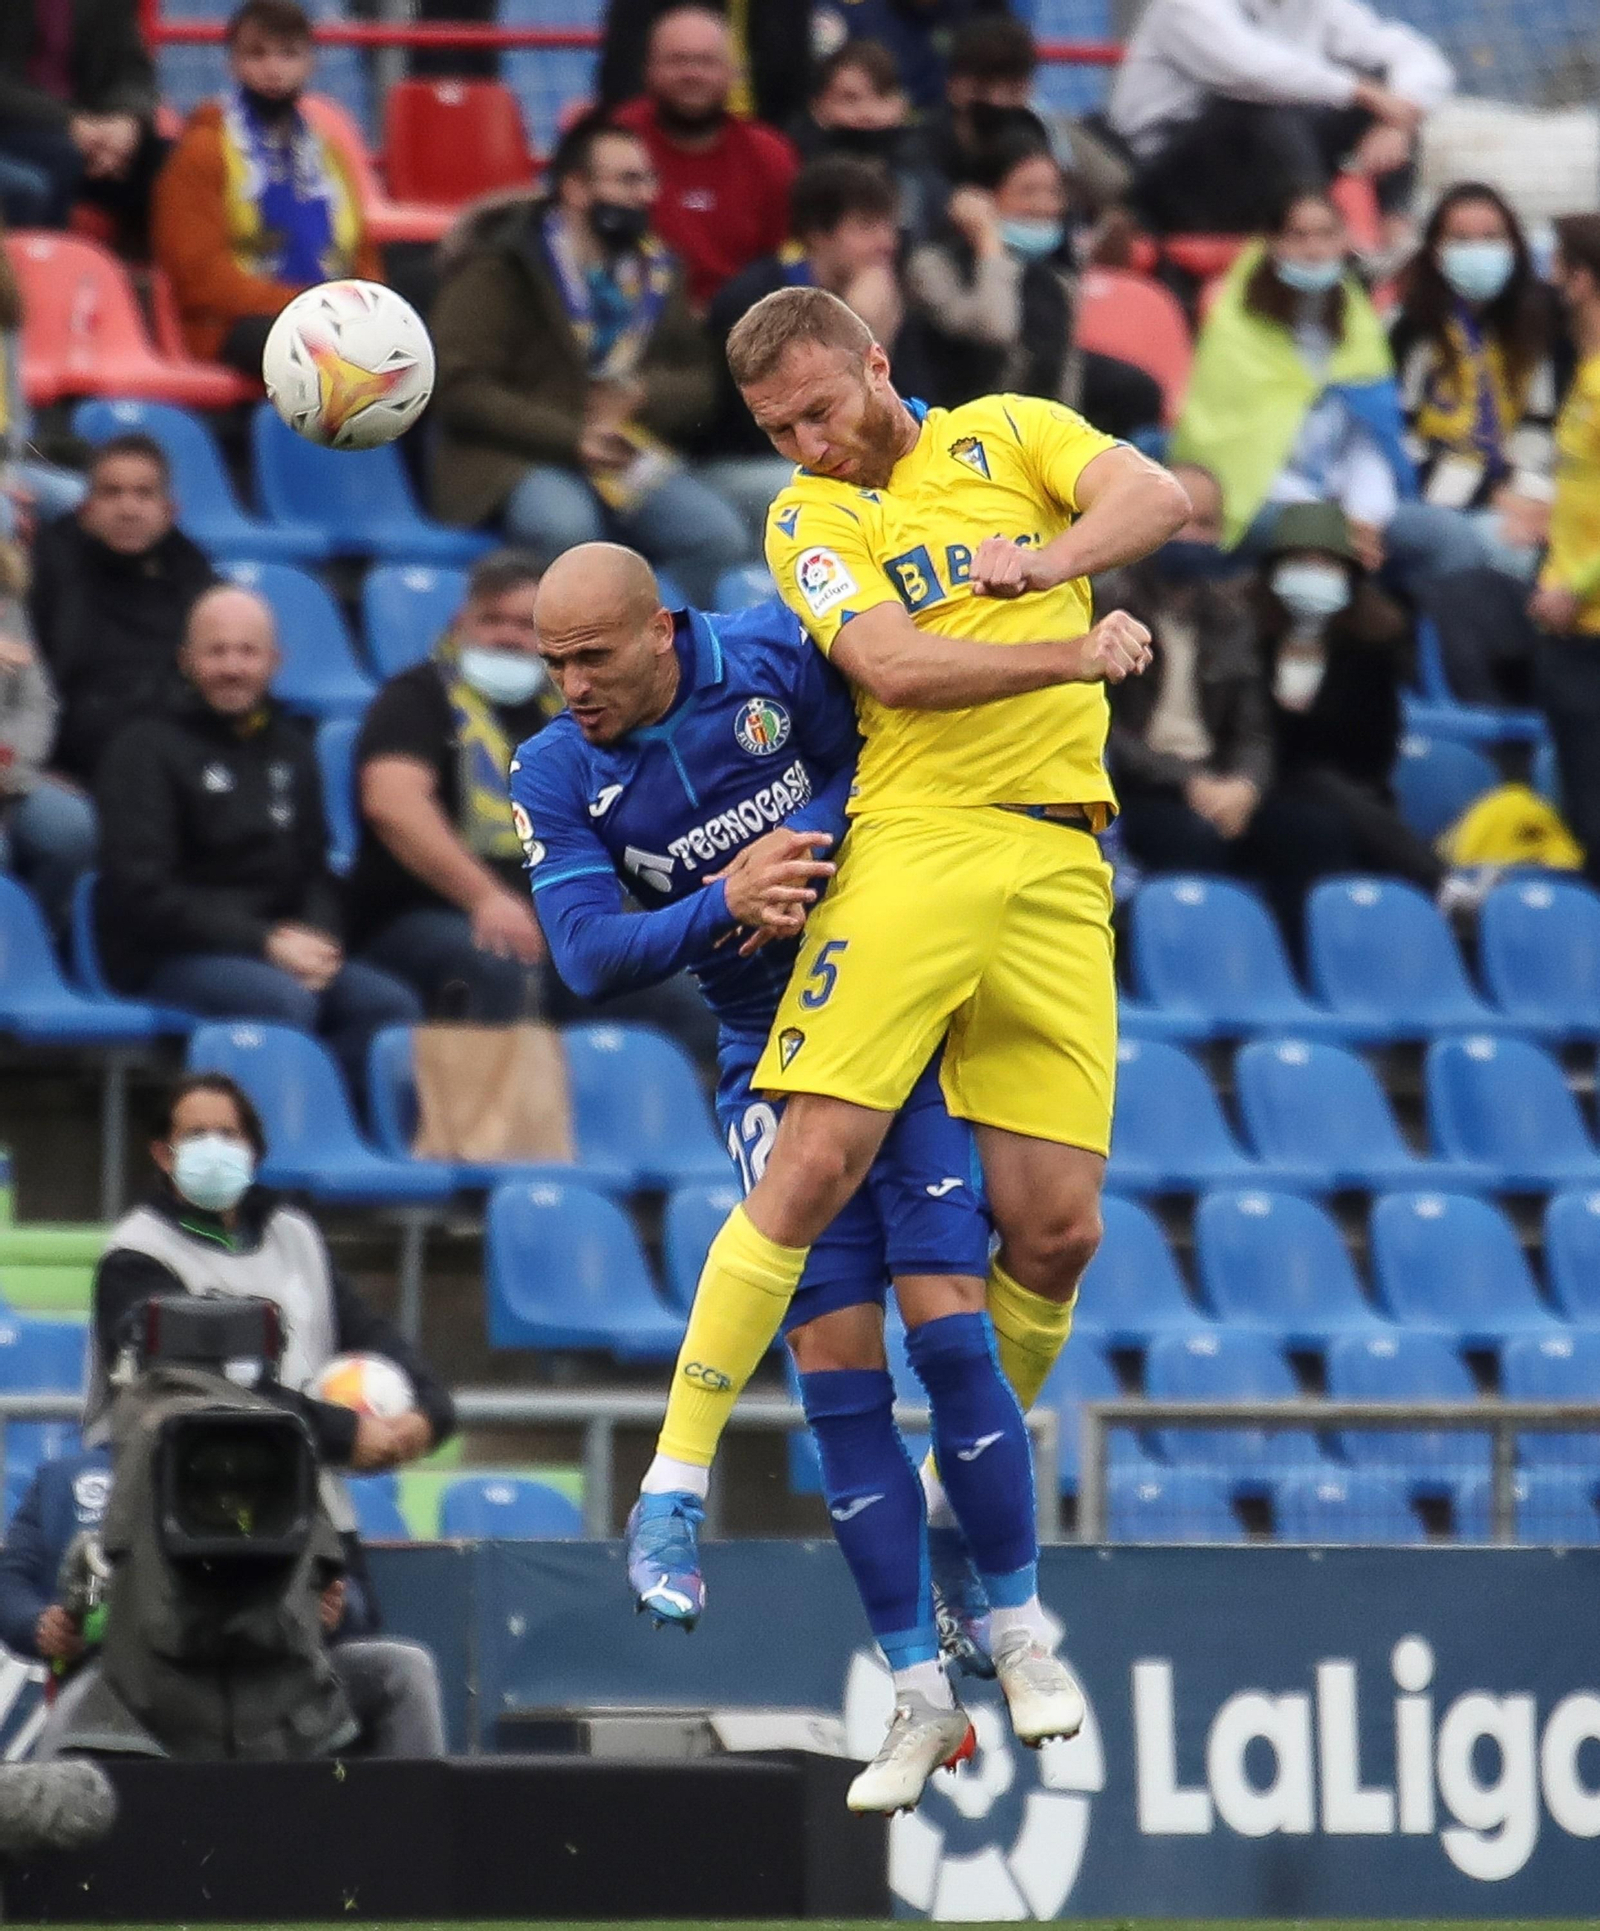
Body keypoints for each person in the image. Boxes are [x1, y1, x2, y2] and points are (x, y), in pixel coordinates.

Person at [622, 288, 1182, 1676]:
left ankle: (954, 1506)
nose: (806, 440)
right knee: (813, 1158)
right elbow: (885, 661)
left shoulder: (1008, 433)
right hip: (918, 847)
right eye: (776, 426)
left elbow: (1155, 495)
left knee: (1058, 1232)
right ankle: (672, 1481)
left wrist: (1043, 555)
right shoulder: (815, 518)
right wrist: (1062, 634)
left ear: (878, 363)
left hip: (1062, 859)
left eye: (820, 407)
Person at [514, 541, 1079, 1811]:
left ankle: (1019, 1632)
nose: (570, 686)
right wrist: (727, 901)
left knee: (947, 1323)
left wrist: (808, 839)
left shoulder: (769, 654)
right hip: (764, 1061)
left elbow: (877, 757)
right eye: (550, 663)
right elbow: (589, 956)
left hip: (890, 1022)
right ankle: (916, 1700)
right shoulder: (553, 768)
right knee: (836, 1365)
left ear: (661, 628)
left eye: (592, 656)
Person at [71, 1071, 450, 1754]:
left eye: (230, 1132)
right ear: (161, 1152)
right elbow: (190, 1386)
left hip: (321, 1525)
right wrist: (343, 1431)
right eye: (195, 1134)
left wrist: (425, 1412)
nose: (215, 1147)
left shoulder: (292, 1235)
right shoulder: (136, 1256)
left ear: (254, 1147)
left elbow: (371, 1331)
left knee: (366, 1706)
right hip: (188, 1538)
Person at [93, 585, 422, 1095]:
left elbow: (314, 869)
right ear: (186, 660)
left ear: (274, 661)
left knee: (387, 1004)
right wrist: (263, 942)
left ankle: (343, 1144)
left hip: (277, 946)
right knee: (283, 1001)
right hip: (169, 954)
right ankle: (271, 1147)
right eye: (216, 651)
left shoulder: (290, 747)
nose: (232, 667)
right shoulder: (143, 747)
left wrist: (320, 938)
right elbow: (143, 894)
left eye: (247, 652)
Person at [429, 114, 749, 608]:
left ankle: (671, 667)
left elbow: (701, 381)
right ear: (576, 189)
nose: (646, 194)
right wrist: (573, 437)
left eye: (648, 179)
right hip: (518, 456)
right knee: (569, 528)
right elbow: (459, 387)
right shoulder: (501, 265)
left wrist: (644, 395)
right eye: (627, 181)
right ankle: (573, 669)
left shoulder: (658, 271)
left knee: (716, 537)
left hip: (623, 453)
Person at [1170, 187, 1484, 595]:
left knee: (1451, 538)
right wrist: (1325, 521)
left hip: (1348, 503)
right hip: (1256, 500)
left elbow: (1368, 444)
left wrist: (1363, 514)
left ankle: (1437, 656)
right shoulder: (1236, 329)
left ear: (1344, 240)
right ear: (1271, 244)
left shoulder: (1359, 327)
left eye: (1325, 234)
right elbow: (1231, 455)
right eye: (1297, 236)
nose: (1313, 249)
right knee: (1315, 545)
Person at [1101, 464, 1365, 939]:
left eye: (1206, 525)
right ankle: (1186, 969)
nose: (1192, 536)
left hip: (1218, 782)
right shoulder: (1107, 604)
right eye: (1180, 521)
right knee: (1190, 838)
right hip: (1138, 789)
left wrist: (1245, 786)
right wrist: (1189, 783)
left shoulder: (1229, 615)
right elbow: (1102, 729)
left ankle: (1306, 974)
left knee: (1313, 831)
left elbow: (1254, 729)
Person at [151, 0, 381, 375]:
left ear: (312, 63)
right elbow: (201, 282)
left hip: (326, 313)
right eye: (256, 55)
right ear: (232, 63)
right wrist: (310, 306)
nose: (273, 69)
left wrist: (364, 308)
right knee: (322, 353)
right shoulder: (201, 150)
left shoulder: (329, 153)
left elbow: (362, 255)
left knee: (410, 336)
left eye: (289, 55)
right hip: (233, 325)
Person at [1108, 0, 1453, 238]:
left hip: (1261, 162)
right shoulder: (1184, 5)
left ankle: (1395, 231)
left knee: (1389, 98)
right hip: (1168, 174)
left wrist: (1398, 121)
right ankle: (1317, 231)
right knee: (1264, 106)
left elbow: (1413, 53)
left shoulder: (1317, 7)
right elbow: (1251, 71)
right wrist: (1363, 92)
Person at [907, 121, 1163, 437]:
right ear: (984, 198)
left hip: (1036, 436)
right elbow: (995, 327)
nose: (1044, 206)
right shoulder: (932, 265)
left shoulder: (1058, 278)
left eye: (1054, 193)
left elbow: (1065, 381)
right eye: (1027, 192)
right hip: (961, 430)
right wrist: (989, 241)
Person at [703, 157, 909, 542]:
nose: (886, 243)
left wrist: (874, 333)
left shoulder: (887, 291)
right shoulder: (752, 300)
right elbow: (756, 426)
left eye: (888, 226)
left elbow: (908, 407)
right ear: (817, 234)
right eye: (866, 228)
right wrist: (861, 323)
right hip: (740, 465)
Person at [1254, 499, 1442, 900]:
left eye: (1327, 564)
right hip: (1260, 786)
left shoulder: (1369, 652)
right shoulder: (1249, 641)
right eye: (1301, 562)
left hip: (1348, 793)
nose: (1314, 575)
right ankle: (1436, 880)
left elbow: (1375, 753)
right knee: (1313, 802)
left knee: (1322, 793)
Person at [1391, 182, 1568, 579]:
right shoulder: (1411, 331)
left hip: (1523, 494)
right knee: (1505, 550)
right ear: (1436, 251)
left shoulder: (1542, 325)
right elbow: (1400, 439)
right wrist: (1491, 493)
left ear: (1514, 247)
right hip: (1432, 495)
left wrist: (1535, 499)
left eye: (1491, 238)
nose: (1478, 250)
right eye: (1461, 239)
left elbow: (1542, 427)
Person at [28, 435, 215, 790]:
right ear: (87, 507)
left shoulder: (196, 580)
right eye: (111, 493)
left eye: (144, 494)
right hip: (66, 772)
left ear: (169, 509)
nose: (128, 509)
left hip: (169, 771)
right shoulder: (49, 572)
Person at [610, 6, 798, 313]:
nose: (692, 74)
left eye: (706, 61)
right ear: (648, 69)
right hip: (638, 322)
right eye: (677, 60)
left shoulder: (771, 155)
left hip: (744, 326)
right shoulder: (617, 143)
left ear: (735, 73)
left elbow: (785, 264)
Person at [1530, 214, 1600, 888]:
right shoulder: (1584, 375)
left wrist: (1574, 584)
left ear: (1580, 278)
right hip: (1571, 624)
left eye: (1558, 268)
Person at [0, 0, 164, 250]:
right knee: (60, 157)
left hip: (97, 128)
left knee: (167, 162)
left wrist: (127, 121)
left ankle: (132, 282)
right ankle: (45, 275)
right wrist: (69, 122)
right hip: (18, 124)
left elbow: (132, 72)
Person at [0, 539, 95, 932]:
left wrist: (9, 762)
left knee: (74, 828)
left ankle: (35, 946)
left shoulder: (6, 597)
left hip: (8, 772)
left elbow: (38, 702)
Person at [598, 0, 812, 132]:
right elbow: (623, 73)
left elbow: (797, 77)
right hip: (662, 136)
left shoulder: (773, 154)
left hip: (768, 131)